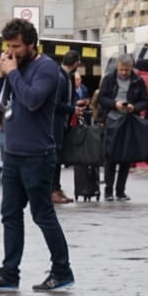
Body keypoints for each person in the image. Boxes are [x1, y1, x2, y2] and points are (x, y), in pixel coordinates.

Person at [0, 18, 72, 292]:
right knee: (10, 214)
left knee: (42, 214)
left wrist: (13, 73)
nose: (12, 52)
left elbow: (32, 100)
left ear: (32, 44)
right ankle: (9, 272)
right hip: (14, 153)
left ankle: (62, 270)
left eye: (17, 46)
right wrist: (0, 76)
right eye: (9, 46)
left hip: (37, 154)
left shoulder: (47, 69)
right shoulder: (13, 68)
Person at [96, 54, 148, 201]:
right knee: (111, 156)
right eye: (121, 70)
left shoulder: (138, 80)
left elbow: (145, 100)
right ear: (117, 67)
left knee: (126, 156)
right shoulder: (109, 79)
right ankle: (108, 191)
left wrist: (134, 107)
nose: (124, 73)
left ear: (131, 68)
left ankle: (120, 191)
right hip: (112, 120)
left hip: (129, 120)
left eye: (127, 70)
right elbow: (102, 98)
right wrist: (114, 104)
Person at [50, 50, 82, 205]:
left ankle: (56, 188)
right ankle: (53, 190)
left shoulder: (64, 76)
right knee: (55, 157)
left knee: (58, 156)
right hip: (55, 123)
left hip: (61, 122)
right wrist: (72, 109)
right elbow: (55, 104)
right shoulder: (61, 78)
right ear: (76, 63)